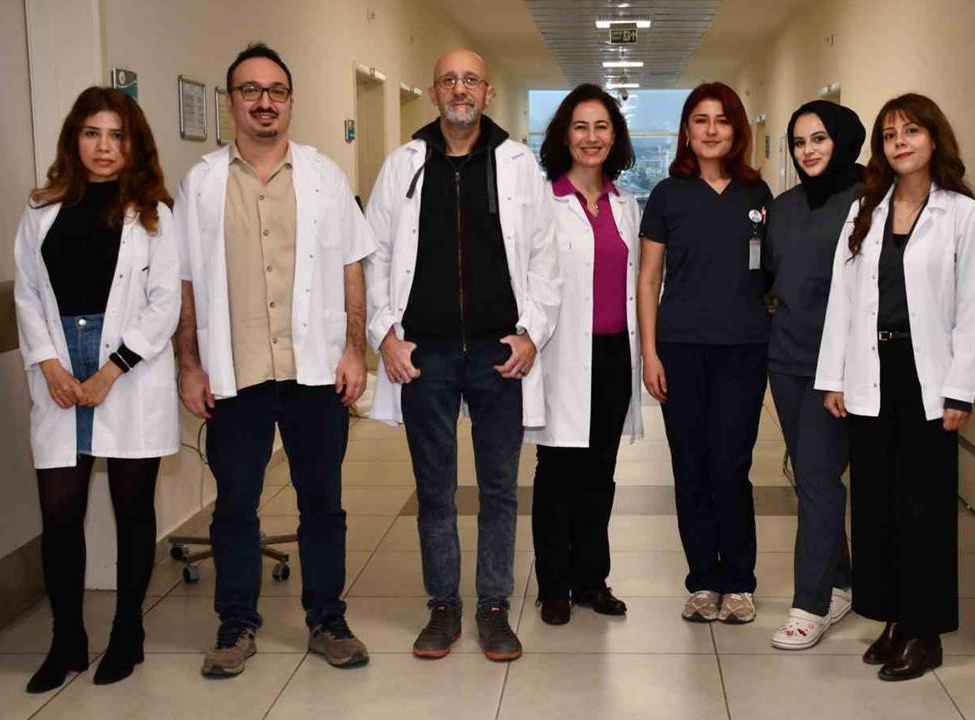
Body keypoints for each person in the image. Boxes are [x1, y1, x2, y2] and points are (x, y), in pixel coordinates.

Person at [173, 43, 374, 678]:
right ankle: (236, 626)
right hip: (236, 373)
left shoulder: (324, 176)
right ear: (230, 101)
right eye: (251, 90)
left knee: (323, 501)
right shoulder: (201, 183)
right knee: (235, 504)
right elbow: (183, 281)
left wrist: (355, 349)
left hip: (314, 371)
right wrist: (189, 364)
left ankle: (327, 619)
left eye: (276, 91)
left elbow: (352, 267)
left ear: (290, 101)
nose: (265, 102)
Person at [364, 48, 560, 662]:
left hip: (500, 353)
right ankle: (443, 606)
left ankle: (494, 607)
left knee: (499, 488)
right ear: (433, 92)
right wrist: (385, 335)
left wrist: (531, 334)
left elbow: (544, 258)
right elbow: (374, 256)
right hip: (425, 354)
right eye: (449, 79)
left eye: (470, 79)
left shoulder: (518, 164)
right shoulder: (403, 165)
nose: (460, 89)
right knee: (435, 489)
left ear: (487, 91)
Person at [13, 86, 179, 691]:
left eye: (116, 135)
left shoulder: (153, 213)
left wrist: (112, 368)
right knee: (60, 513)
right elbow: (27, 293)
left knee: (132, 508)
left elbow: (165, 302)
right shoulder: (40, 210)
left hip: (127, 370)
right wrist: (50, 365)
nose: (104, 147)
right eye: (92, 134)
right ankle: (67, 640)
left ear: (133, 144)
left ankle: (127, 633)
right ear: (74, 139)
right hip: (60, 366)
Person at [815, 93, 975, 681]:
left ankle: (925, 630)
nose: (900, 143)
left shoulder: (961, 213)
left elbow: (972, 308)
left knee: (924, 506)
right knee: (875, 504)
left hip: (926, 374)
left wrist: (960, 390)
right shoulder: (866, 210)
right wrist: (833, 377)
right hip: (871, 369)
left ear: (934, 139)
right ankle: (891, 616)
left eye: (911, 131)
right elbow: (842, 299)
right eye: (889, 135)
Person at [637, 82, 772, 625]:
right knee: (690, 466)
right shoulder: (668, 195)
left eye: (722, 119)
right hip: (681, 349)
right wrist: (649, 353)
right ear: (687, 131)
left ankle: (738, 580)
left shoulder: (757, 195)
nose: (712, 129)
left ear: (737, 129)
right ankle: (702, 581)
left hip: (744, 349)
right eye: (700, 119)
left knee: (731, 465)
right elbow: (649, 280)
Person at [525, 83, 643, 626]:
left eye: (601, 127)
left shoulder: (626, 205)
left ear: (614, 136)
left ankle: (592, 580)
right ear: (563, 136)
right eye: (580, 127)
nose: (591, 137)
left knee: (601, 471)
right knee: (557, 472)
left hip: (615, 354)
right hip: (559, 353)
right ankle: (553, 585)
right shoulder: (543, 203)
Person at [764, 101, 865, 650]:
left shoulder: (871, 201)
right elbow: (771, 276)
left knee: (821, 479)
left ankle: (811, 603)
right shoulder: (783, 207)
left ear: (843, 140)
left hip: (840, 368)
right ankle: (842, 581)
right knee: (809, 475)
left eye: (819, 138)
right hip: (788, 360)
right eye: (799, 141)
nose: (808, 150)